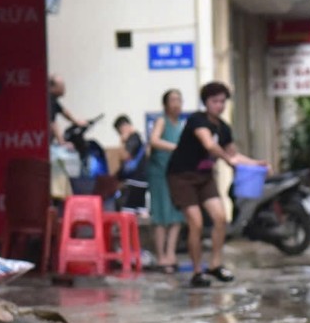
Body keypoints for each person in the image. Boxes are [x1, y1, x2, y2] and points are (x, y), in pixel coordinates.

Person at [167, 81, 266, 288]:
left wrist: (256, 163)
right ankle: (197, 271)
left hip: (205, 177)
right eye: (215, 101)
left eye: (222, 101)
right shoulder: (197, 120)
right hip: (182, 176)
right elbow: (209, 145)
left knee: (220, 218)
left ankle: (215, 264)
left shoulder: (224, 128)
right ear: (206, 102)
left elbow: (233, 154)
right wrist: (228, 160)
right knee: (196, 222)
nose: (219, 105)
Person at [145, 89, 188, 271]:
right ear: (165, 104)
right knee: (161, 215)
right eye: (172, 100)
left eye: (179, 99)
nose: (176, 103)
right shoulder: (161, 121)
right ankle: (161, 256)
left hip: (175, 173)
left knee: (177, 215)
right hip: (160, 173)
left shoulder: (181, 124)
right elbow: (154, 141)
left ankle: (171, 254)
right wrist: (176, 148)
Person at [113, 114, 149, 212]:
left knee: (127, 210)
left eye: (119, 131)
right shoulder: (138, 137)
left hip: (134, 180)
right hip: (141, 179)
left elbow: (124, 156)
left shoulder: (133, 138)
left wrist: (122, 142)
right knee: (140, 209)